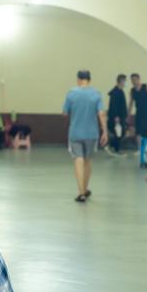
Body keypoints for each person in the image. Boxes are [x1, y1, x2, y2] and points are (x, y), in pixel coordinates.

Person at [62, 70, 108, 202]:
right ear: (89, 79)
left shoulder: (71, 93)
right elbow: (101, 114)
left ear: (78, 79)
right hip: (92, 133)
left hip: (75, 133)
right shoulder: (96, 94)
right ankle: (85, 189)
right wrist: (104, 131)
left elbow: (65, 113)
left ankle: (81, 192)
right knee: (87, 160)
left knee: (78, 159)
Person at [127, 73, 147, 152]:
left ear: (139, 79)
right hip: (139, 113)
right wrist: (128, 115)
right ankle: (139, 149)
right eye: (132, 80)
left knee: (146, 131)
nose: (134, 82)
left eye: (135, 80)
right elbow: (131, 103)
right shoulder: (132, 91)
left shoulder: (146, 87)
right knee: (138, 132)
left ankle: (146, 148)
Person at [107, 74, 128, 153]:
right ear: (121, 81)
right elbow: (114, 105)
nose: (125, 83)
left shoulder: (120, 91)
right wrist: (116, 116)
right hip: (117, 117)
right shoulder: (115, 92)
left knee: (121, 132)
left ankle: (113, 146)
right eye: (125, 81)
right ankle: (116, 149)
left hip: (121, 116)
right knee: (118, 132)